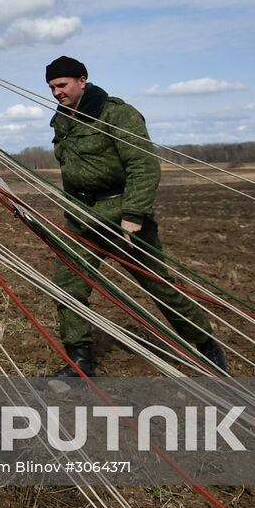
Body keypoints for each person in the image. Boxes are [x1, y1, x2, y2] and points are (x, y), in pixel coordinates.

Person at [43, 55, 227, 377]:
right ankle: (80, 364)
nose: (56, 92)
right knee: (68, 285)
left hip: (122, 215)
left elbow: (144, 165)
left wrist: (134, 215)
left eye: (62, 84)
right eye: (51, 87)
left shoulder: (117, 114)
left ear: (82, 80)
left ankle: (206, 345)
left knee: (159, 286)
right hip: (82, 218)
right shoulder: (62, 119)